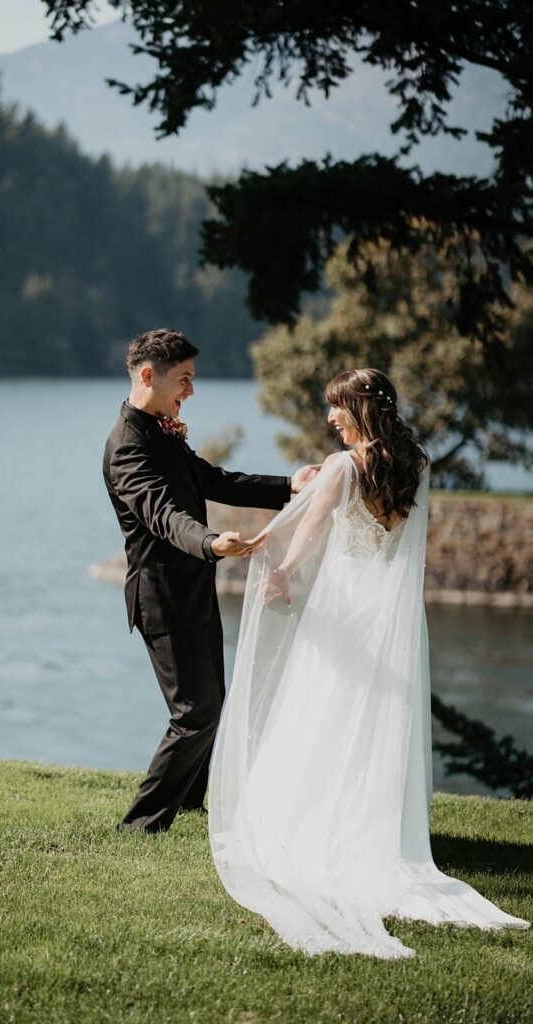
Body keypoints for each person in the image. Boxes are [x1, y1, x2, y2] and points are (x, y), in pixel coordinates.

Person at [208, 367, 529, 959]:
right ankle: (370, 831)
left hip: (342, 605)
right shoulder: (418, 461)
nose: (330, 417)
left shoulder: (342, 465)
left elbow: (307, 526)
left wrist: (278, 569)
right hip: (390, 611)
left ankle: (303, 831)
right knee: (368, 718)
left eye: (337, 407)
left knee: (319, 710)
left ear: (360, 407)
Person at [102, 328, 317, 834]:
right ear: (148, 375)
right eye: (185, 380)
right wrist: (210, 542)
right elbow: (163, 514)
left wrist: (289, 485)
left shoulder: (163, 428)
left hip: (196, 589)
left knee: (211, 705)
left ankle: (193, 802)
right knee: (194, 713)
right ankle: (140, 825)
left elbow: (211, 479)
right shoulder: (127, 447)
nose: (191, 392)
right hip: (162, 599)